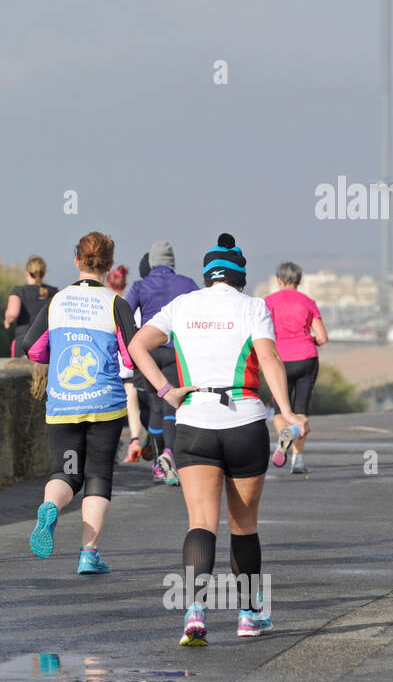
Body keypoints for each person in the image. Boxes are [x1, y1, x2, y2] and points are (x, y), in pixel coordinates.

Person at [128, 233, 308, 646]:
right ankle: (247, 615)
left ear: (208, 274)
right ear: (240, 276)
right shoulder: (253, 308)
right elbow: (269, 359)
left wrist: (164, 390)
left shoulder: (183, 305)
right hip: (244, 421)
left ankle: (194, 613)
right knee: (243, 526)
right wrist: (287, 412)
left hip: (194, 423)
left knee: (201, 523)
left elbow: (137, 345)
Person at [21, 232, 139, 575]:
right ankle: (89, 553)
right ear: (110, 265)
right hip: (105, 404)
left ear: (77, 261)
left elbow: (32, 347)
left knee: (67, 472)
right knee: (98, 475)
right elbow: (131, 358)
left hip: (64, 404)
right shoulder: (115, 304)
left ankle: (51, 507)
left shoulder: (56, 302)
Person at [126, 241, 199, 486]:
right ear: (172, 261)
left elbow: (126, 318)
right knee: (172, 407)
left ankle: (159, 463)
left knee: (155, 407)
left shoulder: (139, 286)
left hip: (148, 353)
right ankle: (170, 454)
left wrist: (137, 343)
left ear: (153, 262)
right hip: (175, 352)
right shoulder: (188, 285)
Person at [264, 262, 327, 474]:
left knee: (279, 408)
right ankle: (298, 459)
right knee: (301, 410)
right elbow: (322, 337)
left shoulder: (268, 302)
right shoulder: (308, 302)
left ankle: (285, 435)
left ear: (279, 280)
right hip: (306, 357)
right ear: (300, 281)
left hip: (279, 359)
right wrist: (308, 341)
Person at [122, 253, 153, 463]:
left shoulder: (135, 293)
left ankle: (135, 438)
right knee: (157, 402)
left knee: (133, 399)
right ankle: (154, 439)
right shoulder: (169, 293)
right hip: (160, 353)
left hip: (135, 360)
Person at [4, 256, 58, 356]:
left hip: (23, 343)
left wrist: (7, 321)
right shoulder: (54, 292)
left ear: (27, 273)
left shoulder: (19, 291)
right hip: (46, 344)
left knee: (20, 372)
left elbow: (12, 313)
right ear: (44, 273)